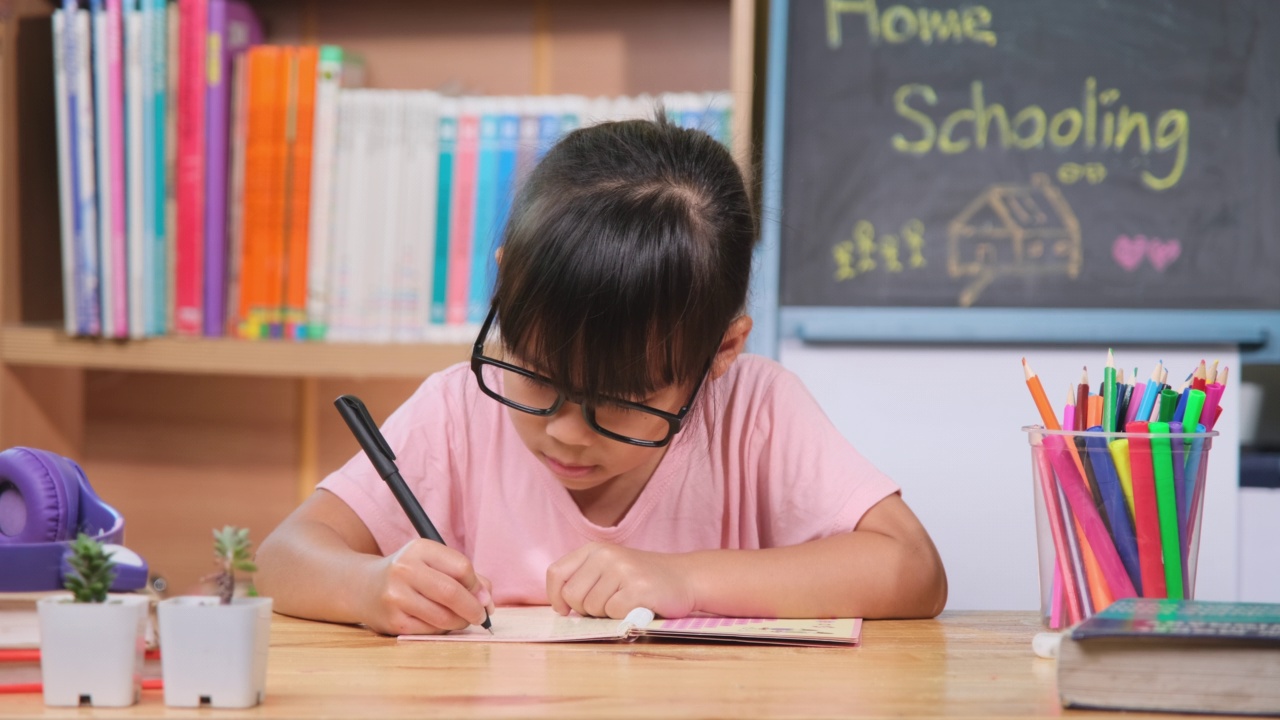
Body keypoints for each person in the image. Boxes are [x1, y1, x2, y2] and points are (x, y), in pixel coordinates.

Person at [256, 115, 947, 636]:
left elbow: (912, 570)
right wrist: (370, 586)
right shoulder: (458, 410)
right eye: (534, 374)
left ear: (721, 350)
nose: (564, 433)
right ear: (505, 290)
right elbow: (284, 555)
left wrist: (681, 577)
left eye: (617, 399)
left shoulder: (752, 409)